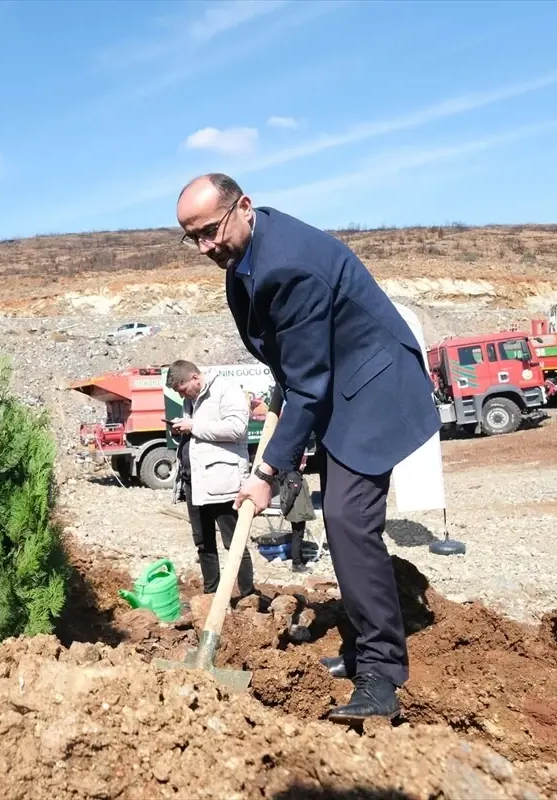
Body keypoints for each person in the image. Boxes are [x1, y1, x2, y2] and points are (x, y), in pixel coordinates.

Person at [176, 173, 441, 723]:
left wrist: (267, 471)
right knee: (344, 523)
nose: (204, 247)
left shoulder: (287, 265)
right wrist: (282, 395)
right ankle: (365, 643)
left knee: (346, 518)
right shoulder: (244, 265)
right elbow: (292, 363)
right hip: (337, 387)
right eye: (191, 237)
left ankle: (381, 675)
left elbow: (310, 383)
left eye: (209, 231)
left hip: (373, 387)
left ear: (243, 207)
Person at [167, 360, 256, 600]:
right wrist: (183, 429)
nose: (181, 395)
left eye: (182, 389)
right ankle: (211, 596)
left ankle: (248, 596)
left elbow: (237, 429)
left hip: (221, 481)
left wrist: (193, 426)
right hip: (195, 481)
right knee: (203, 542)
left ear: (195, 377)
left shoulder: (226, 391)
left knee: (234, 542)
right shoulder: (190, 400)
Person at [264, 383, 317, 571]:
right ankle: (297, 562)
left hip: (292, 492)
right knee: (298, 531)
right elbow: (293, 489)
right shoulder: (292, 472)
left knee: (298, 530)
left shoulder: (286, 468)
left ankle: (298, 559)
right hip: (294, 494)